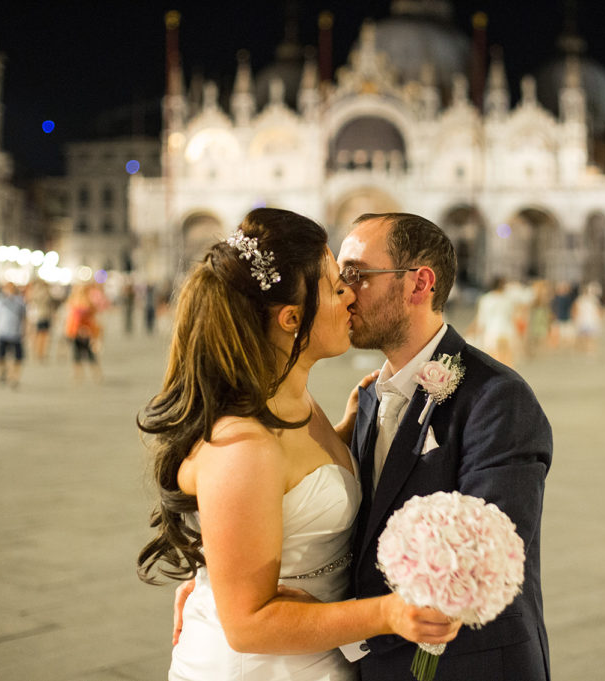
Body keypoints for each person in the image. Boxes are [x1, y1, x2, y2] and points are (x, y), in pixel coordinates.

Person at [139, 208, 460, 681]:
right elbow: (248, 626)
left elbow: (294, 488)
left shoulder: (295, 400)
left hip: (316, 651)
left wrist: (351, 428)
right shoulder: (242, 445)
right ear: (292, 319)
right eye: (336, 287)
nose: (351, 294)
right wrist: (388, 614)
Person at [335, 213, 552, 680]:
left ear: (419, 284)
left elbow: (480, 563)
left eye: (356, 275)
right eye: (339, 278)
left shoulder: (497, 399)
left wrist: (339, 626)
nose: (343, 292)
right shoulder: (370, 397)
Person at [0, 282, 27, 388]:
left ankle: (14, 377)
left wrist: (25, 331)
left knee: (17, 358)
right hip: (1, 333)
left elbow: (24, 317)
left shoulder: (20, 301)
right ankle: (3, 372)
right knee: (0, 357)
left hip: (16, 333)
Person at [63, 283, 103, 382]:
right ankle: (79, 375)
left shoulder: (86, 303)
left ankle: (94, 375)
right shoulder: (74, 301)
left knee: (89, 355)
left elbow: (92, 319)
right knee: (77, 354)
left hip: (85, 332)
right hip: (76, 331)